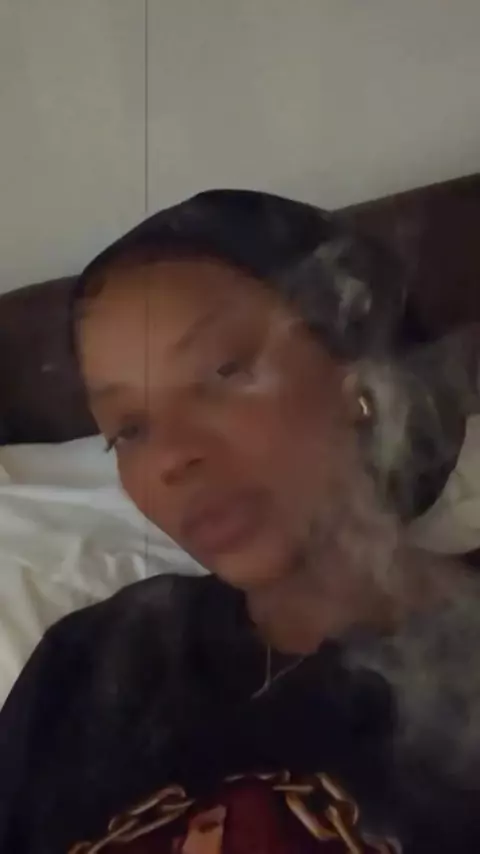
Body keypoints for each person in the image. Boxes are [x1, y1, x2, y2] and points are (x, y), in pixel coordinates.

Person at [0, 190, 477, 854]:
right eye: (128, 429)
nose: (170, 456)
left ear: (362, 379)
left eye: (223, 373)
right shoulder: (84, 669)